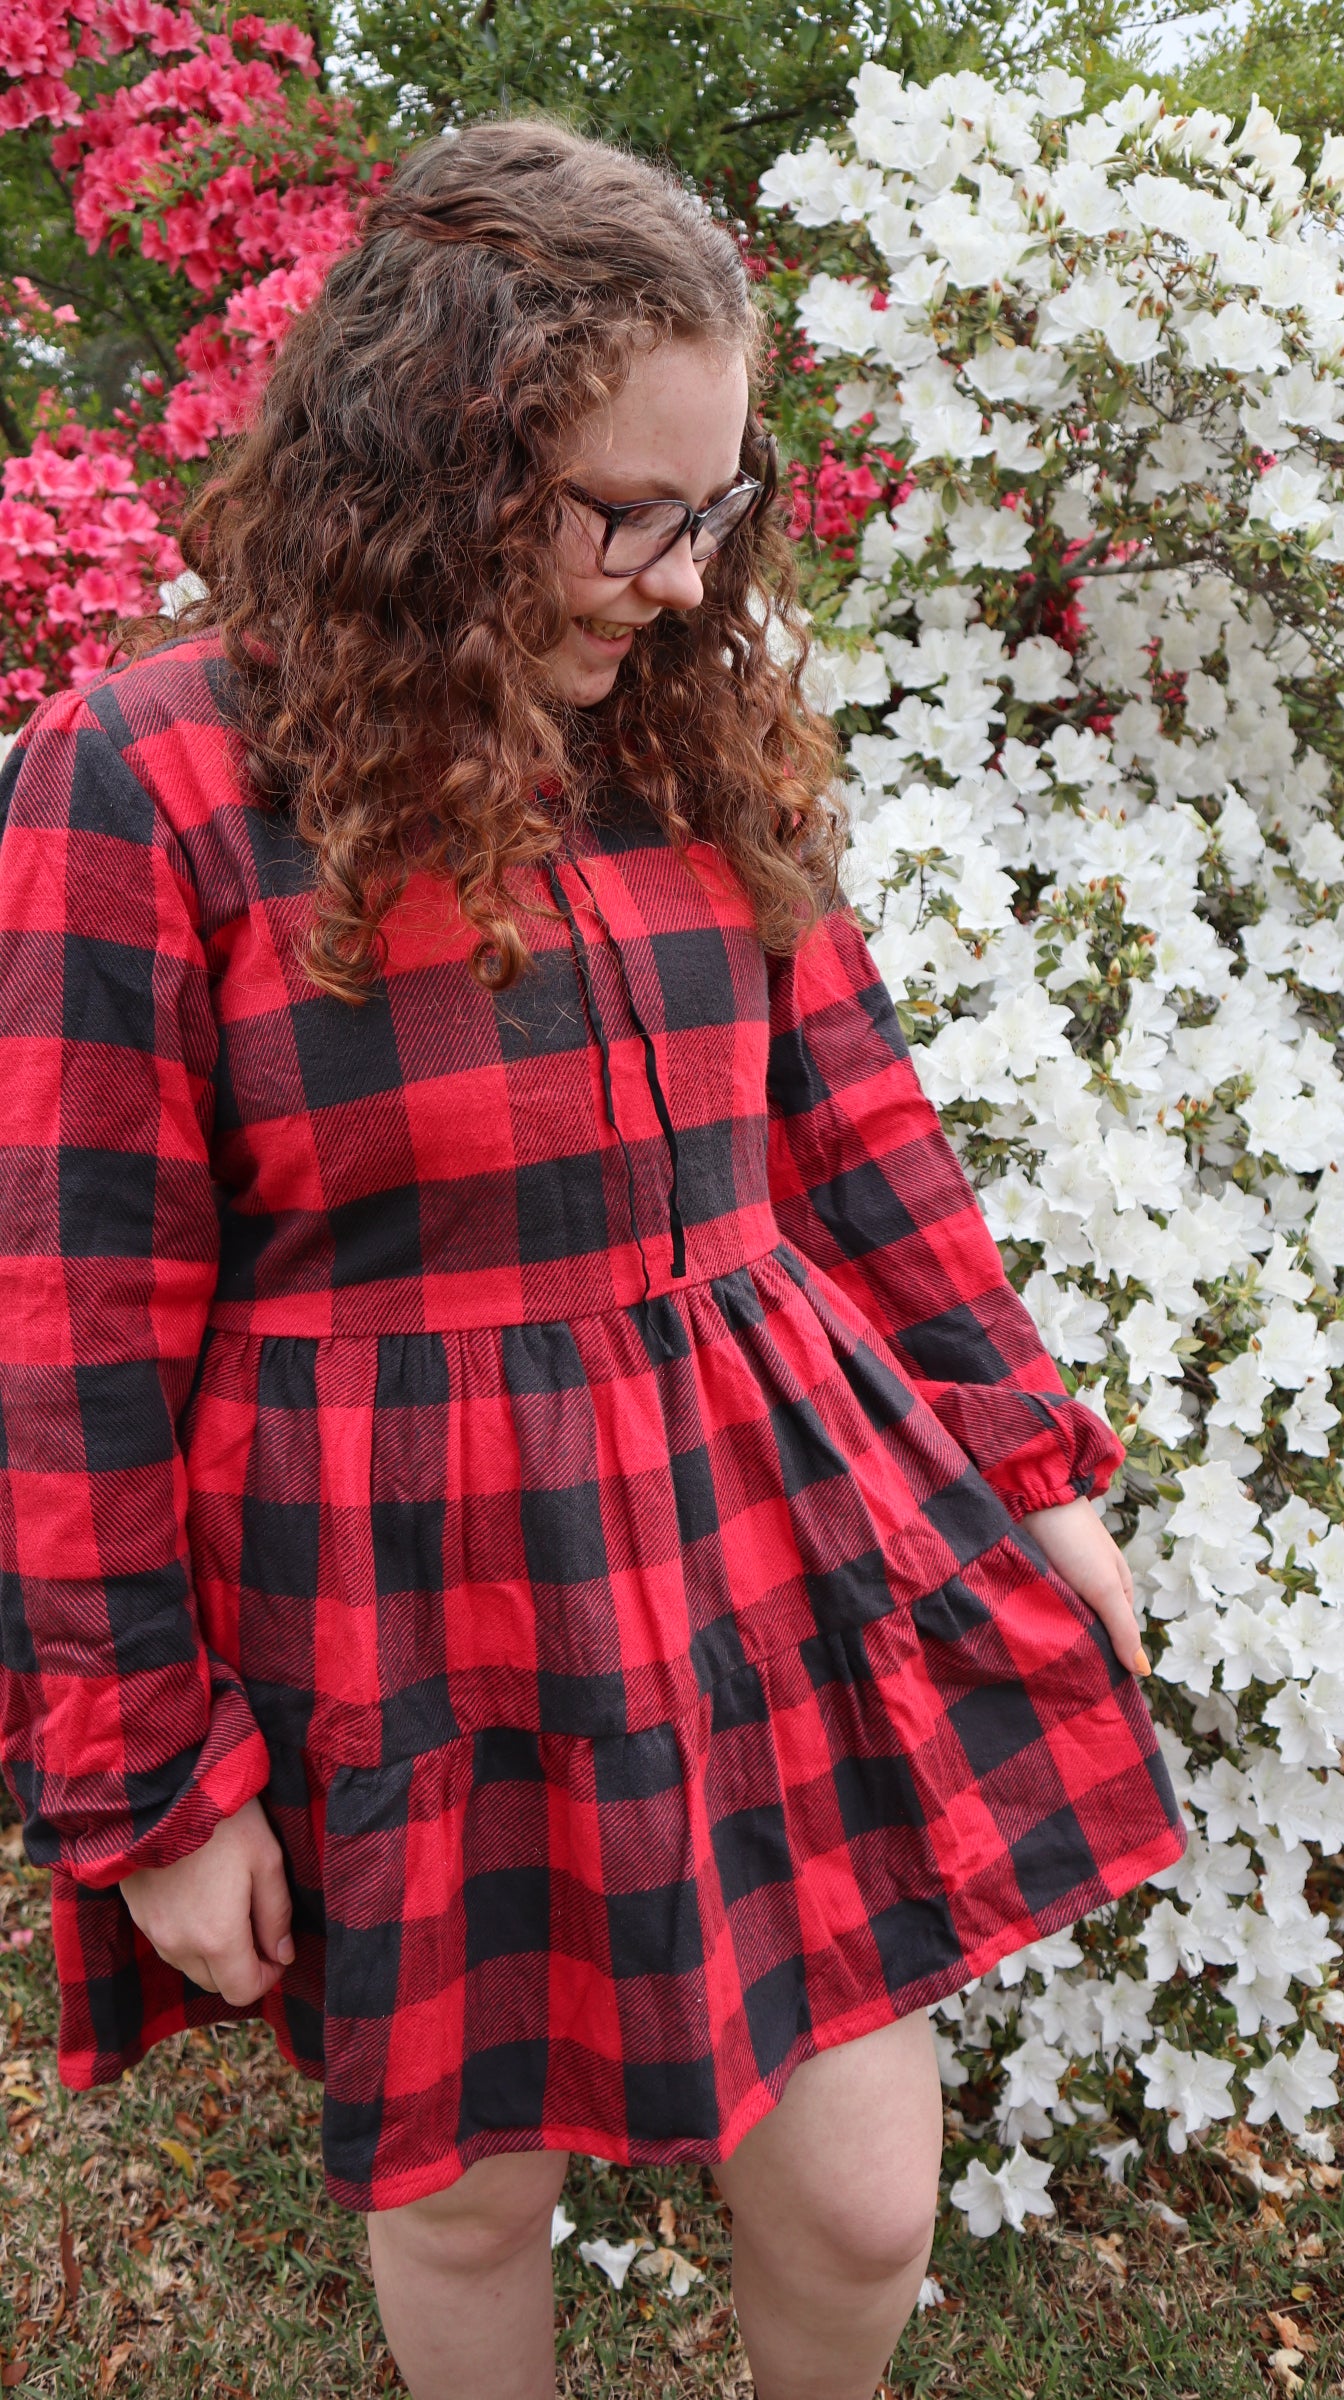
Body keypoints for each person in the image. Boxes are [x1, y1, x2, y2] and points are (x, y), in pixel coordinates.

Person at [0, 117, 1186, 2400]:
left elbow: (852, 1122)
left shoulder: (682, 726)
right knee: (467, 2196)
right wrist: (151, 1774)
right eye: (620, 509)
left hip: (752, 1524)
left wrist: (1035, 1462)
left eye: (711, 504)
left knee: (857, 2200)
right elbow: (65, 1330)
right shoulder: (141, 779)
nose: (673, 574)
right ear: (429, 453)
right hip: (399, 1581)